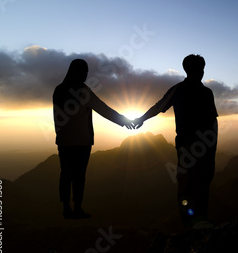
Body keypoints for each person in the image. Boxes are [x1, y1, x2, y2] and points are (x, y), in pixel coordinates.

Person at [134, 54, 218, 229]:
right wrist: (141, 118)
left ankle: (199, 222)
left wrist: (212, 149)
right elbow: (159, 106)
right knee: (190, 184)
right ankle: (190, 222)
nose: (200, 73)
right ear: (188, 70)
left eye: (202, 69)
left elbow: (212, 122)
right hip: (189, 147)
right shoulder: (181, 90)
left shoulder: (204, 92)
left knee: (199, 183)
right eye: (197, 69)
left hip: (201, 147)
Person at [53, 59, 133, 219]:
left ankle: (66, 208)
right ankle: (77, 208)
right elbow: (103, 109)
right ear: (78, 72)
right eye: (84, 71)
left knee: (66, 174)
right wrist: (124, 121)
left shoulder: (59, 90)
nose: (86, 74)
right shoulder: (83, 91)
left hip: (64, 141)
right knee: (79, 176)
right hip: (82, 142)